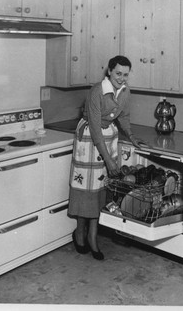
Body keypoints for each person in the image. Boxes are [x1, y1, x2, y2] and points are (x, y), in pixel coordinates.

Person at [67, 55, 144, 260]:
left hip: (108, 137)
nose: (122, 78)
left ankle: (93, 235)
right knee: (86, 188)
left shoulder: (125, 92)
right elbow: (94, 126)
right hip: (89, 139)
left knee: (101, 188)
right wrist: (109, 160)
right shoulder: (96, 91)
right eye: (118, 73)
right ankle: (80, 234)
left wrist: (132, 137)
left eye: (125, 74)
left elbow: (124, 117)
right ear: (109, 71)